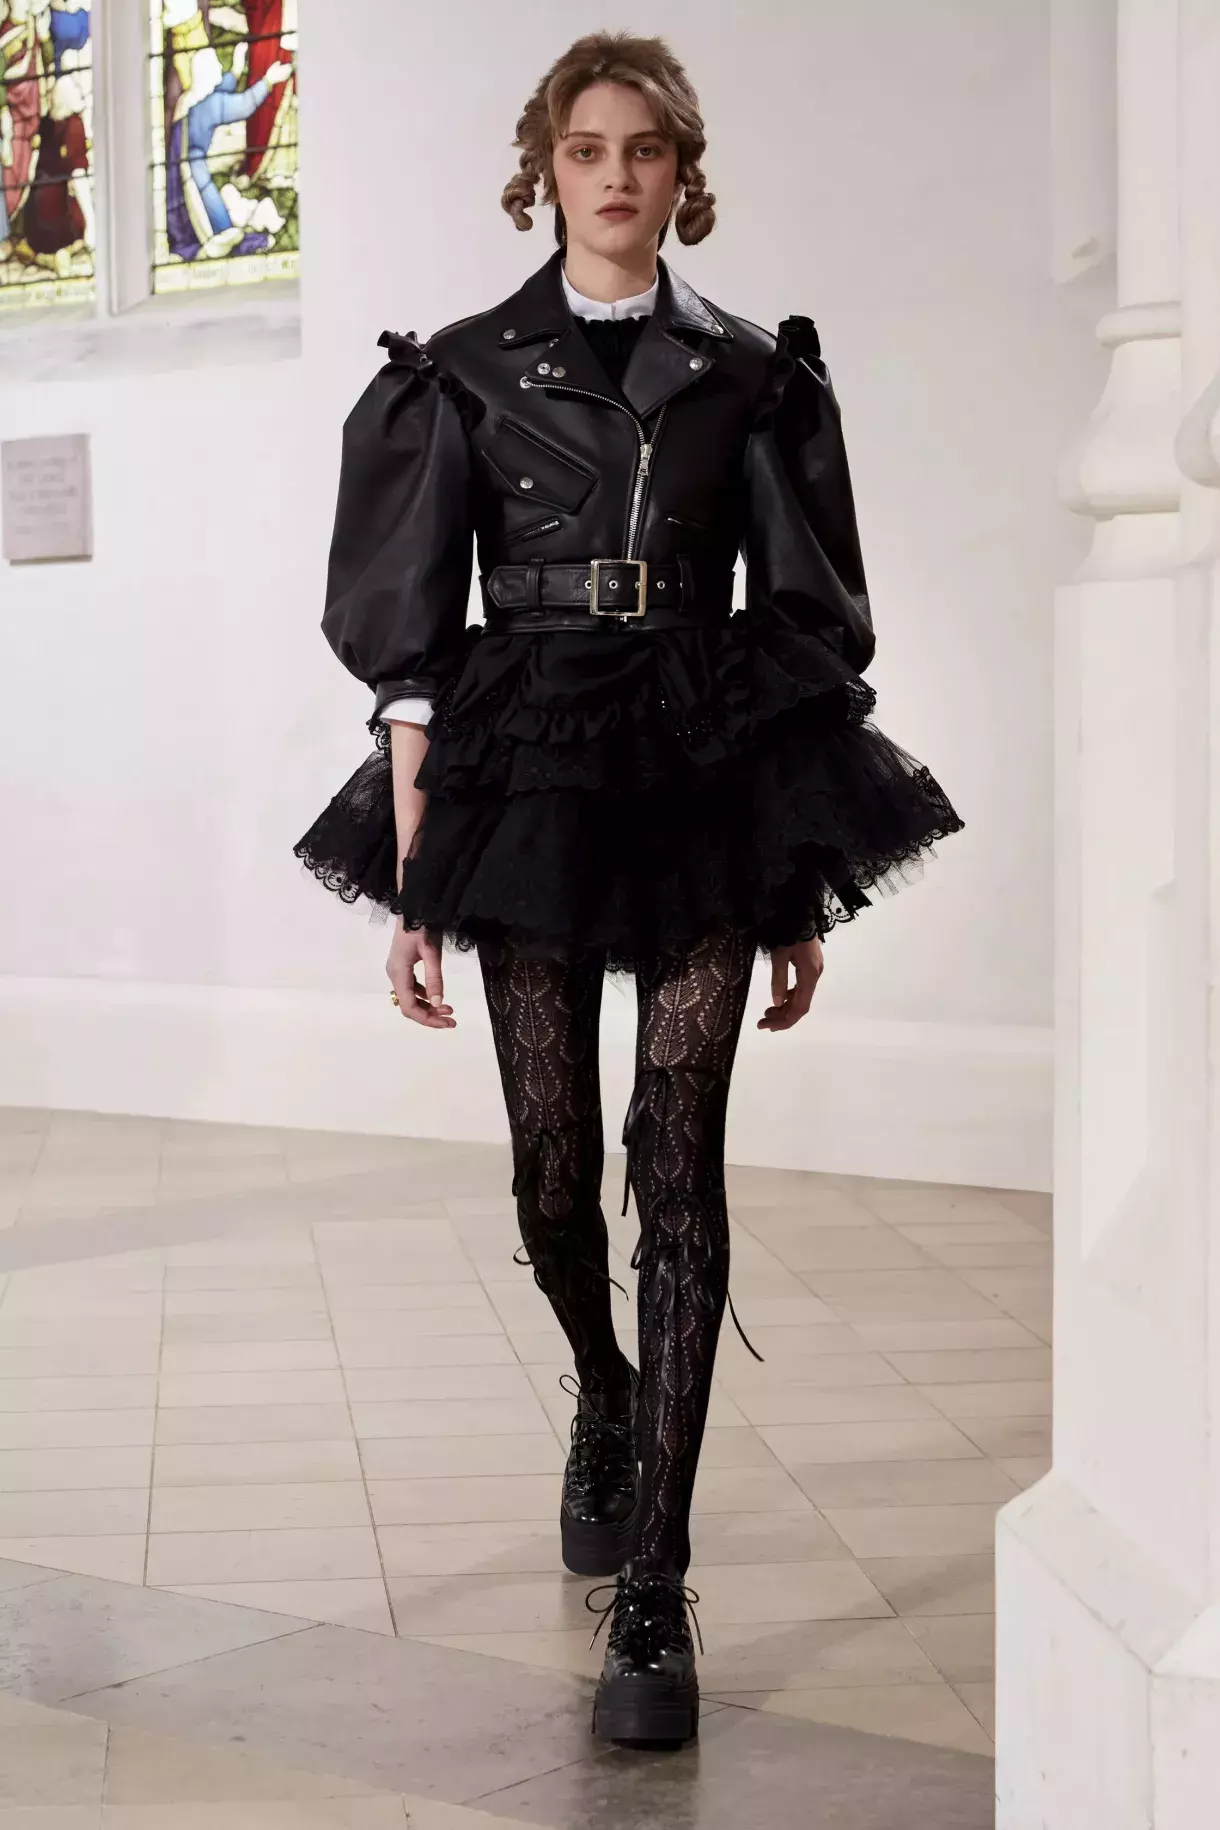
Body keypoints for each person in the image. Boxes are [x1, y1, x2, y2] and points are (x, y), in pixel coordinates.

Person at [295, 30, 964, 1747]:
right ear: (545, 170)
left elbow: (805, 619)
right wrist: (416, 880)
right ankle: (603, 1386)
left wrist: (795, 877)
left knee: (678, 1154)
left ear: (683, 172)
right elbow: (410, 655)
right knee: (550, 1169)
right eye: (586, 148)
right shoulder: (457, 373)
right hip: (526, 759)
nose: (615, 175)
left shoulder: (754, 371)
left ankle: (654, 1583)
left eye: (644, 148)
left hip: (702, 761)